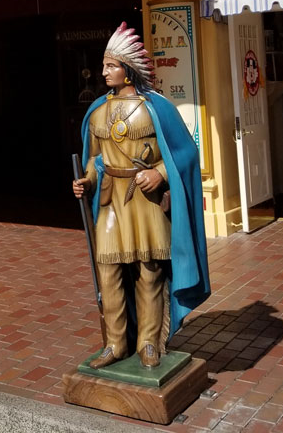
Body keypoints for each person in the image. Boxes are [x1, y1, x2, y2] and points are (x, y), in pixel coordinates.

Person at [72, 22, 209, 369]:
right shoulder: (98, 111)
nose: (103, 72)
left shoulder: (156, 108)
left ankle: (149, 342)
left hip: (145, 201)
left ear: (128, 70)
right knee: (109, 269)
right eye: (104, 65)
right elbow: (95, 159)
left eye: (110, 65)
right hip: (111, 200)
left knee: (149, 271)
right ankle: (116, 343)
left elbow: (185, 153)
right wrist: (86, 181)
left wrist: (158, 173)